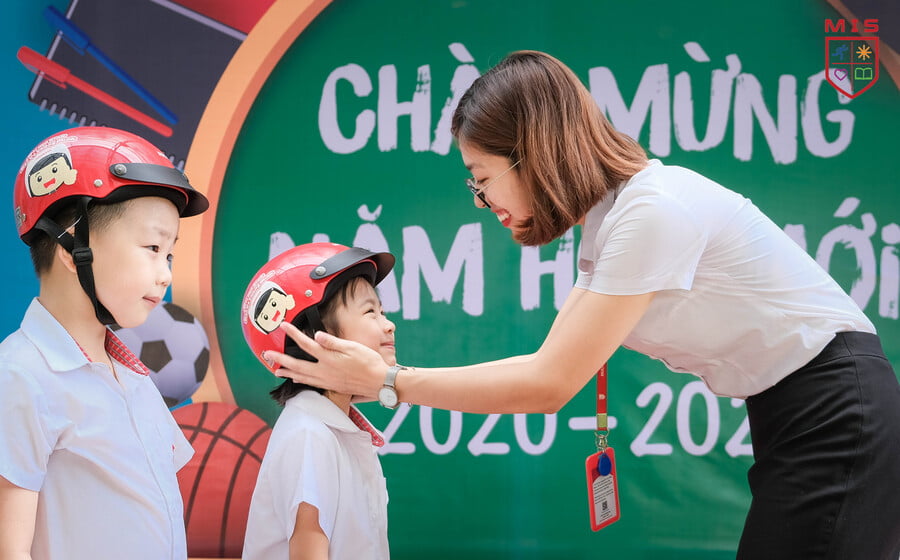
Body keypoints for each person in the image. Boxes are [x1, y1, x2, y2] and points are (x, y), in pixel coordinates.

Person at [262, 51, 900, 558]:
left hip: (835, 406)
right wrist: (388, 380)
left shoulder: (652, 212)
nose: (482, 204)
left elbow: (548, 384)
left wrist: (390, 382)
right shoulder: (612, 225)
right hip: (798, 411)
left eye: (482, 179)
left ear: (534, 151)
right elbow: (545, 362)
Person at [0, 126, 209, 559]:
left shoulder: (133, 378)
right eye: (152, 246)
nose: (165, 273)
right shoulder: (20, 376)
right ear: (71, 243)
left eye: (168, 253)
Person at [241, 242, 395, 560]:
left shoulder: (329, 429)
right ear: (312, 337)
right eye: (370, 312)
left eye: (382, 311)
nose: (388, 324)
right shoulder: (309, 436)